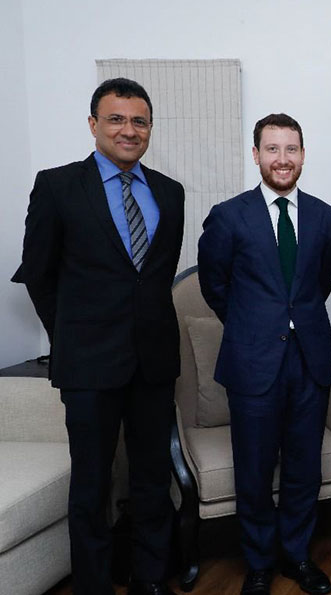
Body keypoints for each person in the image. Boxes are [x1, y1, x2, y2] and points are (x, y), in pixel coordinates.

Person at [12, 78, 184, 595]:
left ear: (149, 128)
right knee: (91, 484)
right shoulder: (58, 186)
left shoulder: (170, 192)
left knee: (152, 478)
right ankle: (93, 585)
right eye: (116, 119)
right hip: (88, 365)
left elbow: (154, 279)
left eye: (139, 121)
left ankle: (150, 577)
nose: (128, 130)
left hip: (153, 362)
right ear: (93, 124)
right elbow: (38, 274)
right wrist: (68, 337)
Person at [197, 113, 331, 595]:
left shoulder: (325, 216)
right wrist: (254, 326)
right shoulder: (228, 216)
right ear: (256, 155)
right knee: (255, 469)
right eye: (273, 149)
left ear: (303, 155)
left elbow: (320, 283)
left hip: (310, 360)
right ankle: (258, 562)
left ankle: (297, 556)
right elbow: (215, 286)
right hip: (252, 361)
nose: (283, 159)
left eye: (291, 149)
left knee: (304, 467)